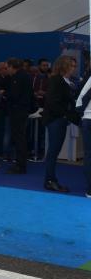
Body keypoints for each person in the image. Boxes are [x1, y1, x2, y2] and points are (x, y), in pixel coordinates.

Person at [41, 55, 77, 193]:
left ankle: (50, 179)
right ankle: (50, 180)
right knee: (53, 151)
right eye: (72, 66)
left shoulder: (66, 81)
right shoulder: (56, 80)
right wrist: (65, 114)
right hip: (55, 120)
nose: (74, 68)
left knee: (54, 151)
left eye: (74, 66)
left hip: (60, 119)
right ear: (64, 66)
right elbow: (52, 102)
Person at [5, 58, 34, 175]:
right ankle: (20, 163)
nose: (7, 70)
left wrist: (5, 95)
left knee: (19, 138)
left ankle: (20, 165)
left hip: (17, 110)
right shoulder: (26, 76)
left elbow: (14, 95)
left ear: (12, 67)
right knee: (21, 137)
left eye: (8, 68)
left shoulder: (18, 77)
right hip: (23, 110)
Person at [74, 73, 91, 198]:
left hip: (87, 120)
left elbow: (80, 99)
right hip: (87, 119)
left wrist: (82, 114)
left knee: (88, 154)